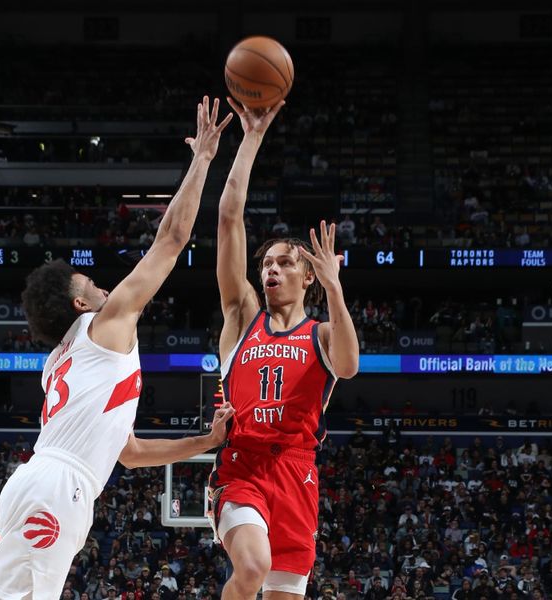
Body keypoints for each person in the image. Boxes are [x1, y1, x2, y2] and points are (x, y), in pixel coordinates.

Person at [0, 97, 235, 600]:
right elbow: (172, 239)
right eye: (92, 282)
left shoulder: (60, 362)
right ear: (80, 303)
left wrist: (205, 442)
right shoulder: (104, 325)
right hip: (57, 486)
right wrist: (202, 159)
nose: (103, 288)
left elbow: (132, 453)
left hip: (41, 480)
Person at [208, 97, 359, 600]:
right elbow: (230, 220)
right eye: (266, 263)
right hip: (243, 467)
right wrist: (250, 139)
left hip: (298, 474)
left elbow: (350, 366)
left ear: (309, 275)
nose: (271, 269)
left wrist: (336, 290)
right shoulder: (242, 317)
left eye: (284, 263)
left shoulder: (320, 333)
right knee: (251, 567)